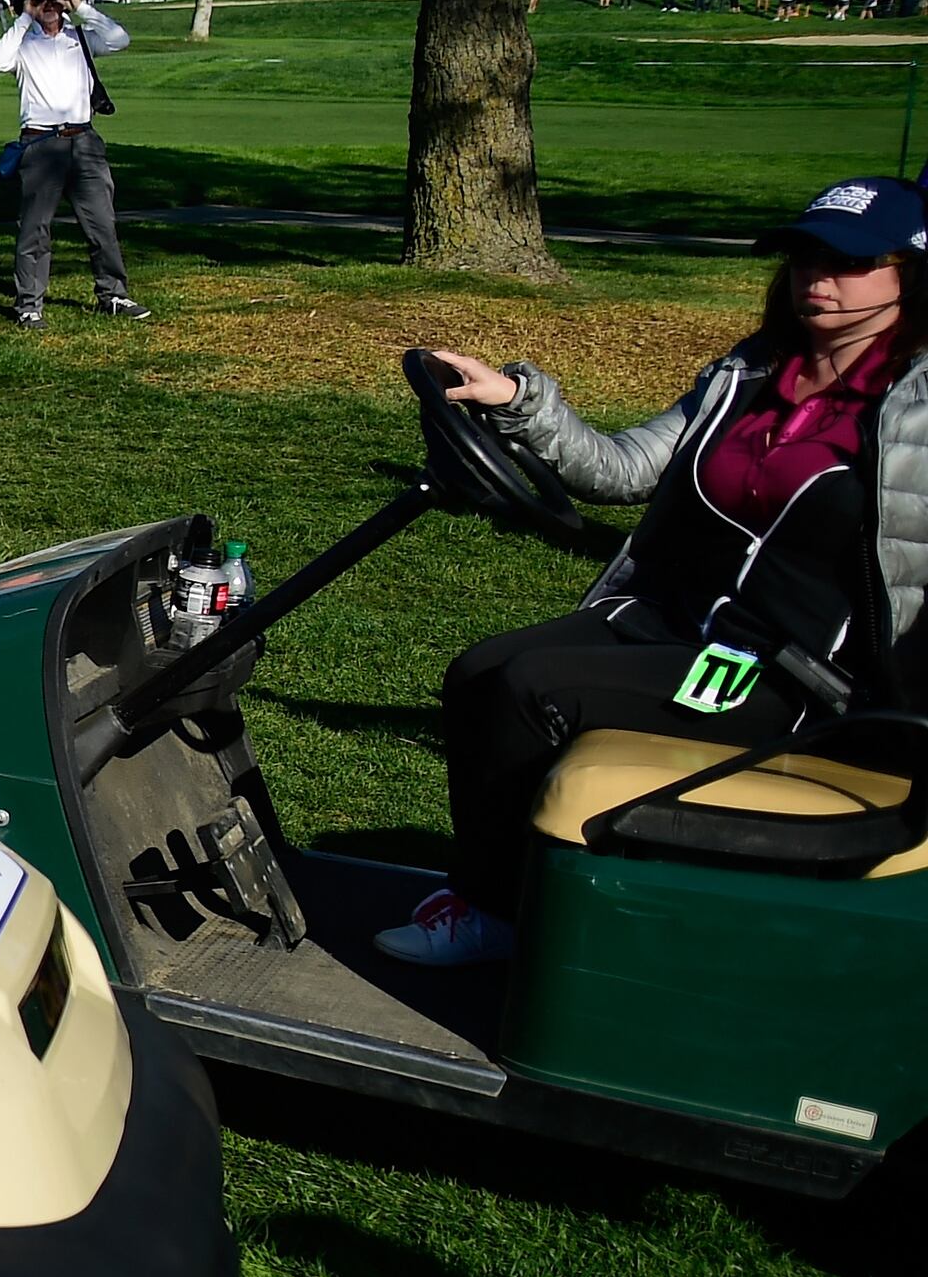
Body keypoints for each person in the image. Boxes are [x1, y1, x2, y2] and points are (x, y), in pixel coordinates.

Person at [393, 177, 928, 969]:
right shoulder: (752, 371)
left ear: (910, 274)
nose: (819, 280)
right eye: (805, 257)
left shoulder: (915, 404)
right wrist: (518, 399)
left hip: (792, 672)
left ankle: (505, 915)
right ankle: (502, 893)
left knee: (530, 689)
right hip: (675, 618)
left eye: (853, 262)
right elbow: (625, 466)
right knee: (480, 671)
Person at [0, 0, 146, 329]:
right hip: (40, 143)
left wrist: (81, 6)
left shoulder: (81, 38)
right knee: (35, 227)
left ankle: (114, 293)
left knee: (101, 222)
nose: (50, 6)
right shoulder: (23, 43)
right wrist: (25, 16)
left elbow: (120, 39)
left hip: (84, 139)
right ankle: (29, 303)